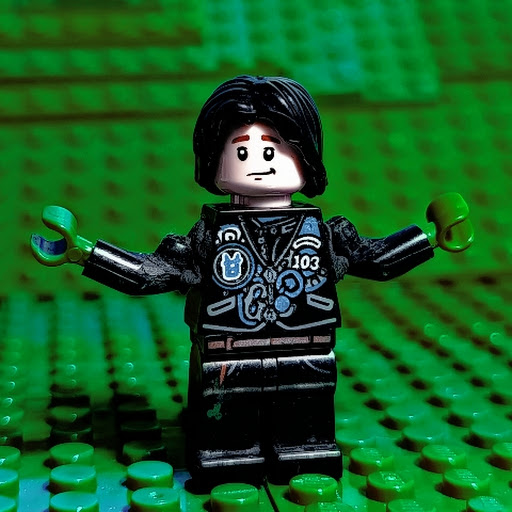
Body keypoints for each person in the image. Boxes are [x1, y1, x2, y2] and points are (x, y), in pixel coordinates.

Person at [32, 75, 473, 489]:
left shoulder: (324, 234)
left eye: (274, 149)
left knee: (306, 412)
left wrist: (430, 238)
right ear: (214, 158)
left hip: (307, 343)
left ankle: (304, 452)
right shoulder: (208, 236)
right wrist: (85, 252)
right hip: (228, 349)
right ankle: (227, 455)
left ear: (305, 155)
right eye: (241, 152)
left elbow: (373, 259)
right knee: (227, 419)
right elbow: (151, 272)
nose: (259, 164)